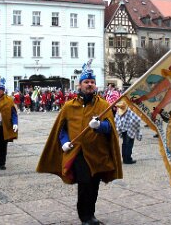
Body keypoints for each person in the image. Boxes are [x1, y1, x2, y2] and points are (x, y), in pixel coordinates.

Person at [37, 60, 122, 225]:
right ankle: (85, 217)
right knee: (84, 183)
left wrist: (99, 126)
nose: (89, 85)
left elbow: (110, 128)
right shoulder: (69, 106)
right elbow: (62, 128)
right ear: (80, 85)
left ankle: (91, 213)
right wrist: (64, 141)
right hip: (79, 152)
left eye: (92, 82)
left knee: (94, 185)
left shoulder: (103, 105)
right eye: (86, 82)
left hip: (98, 153)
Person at [115, 100, 142, 164]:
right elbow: (136, 119)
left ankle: (124, 158)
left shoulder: (119, 110)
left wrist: (120, 126)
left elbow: (116, 119)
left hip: (123, 129)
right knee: (129, 144)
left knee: (124, 144)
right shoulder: (129, 110)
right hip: (129, 129)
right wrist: (132, 126)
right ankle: (128, 159)